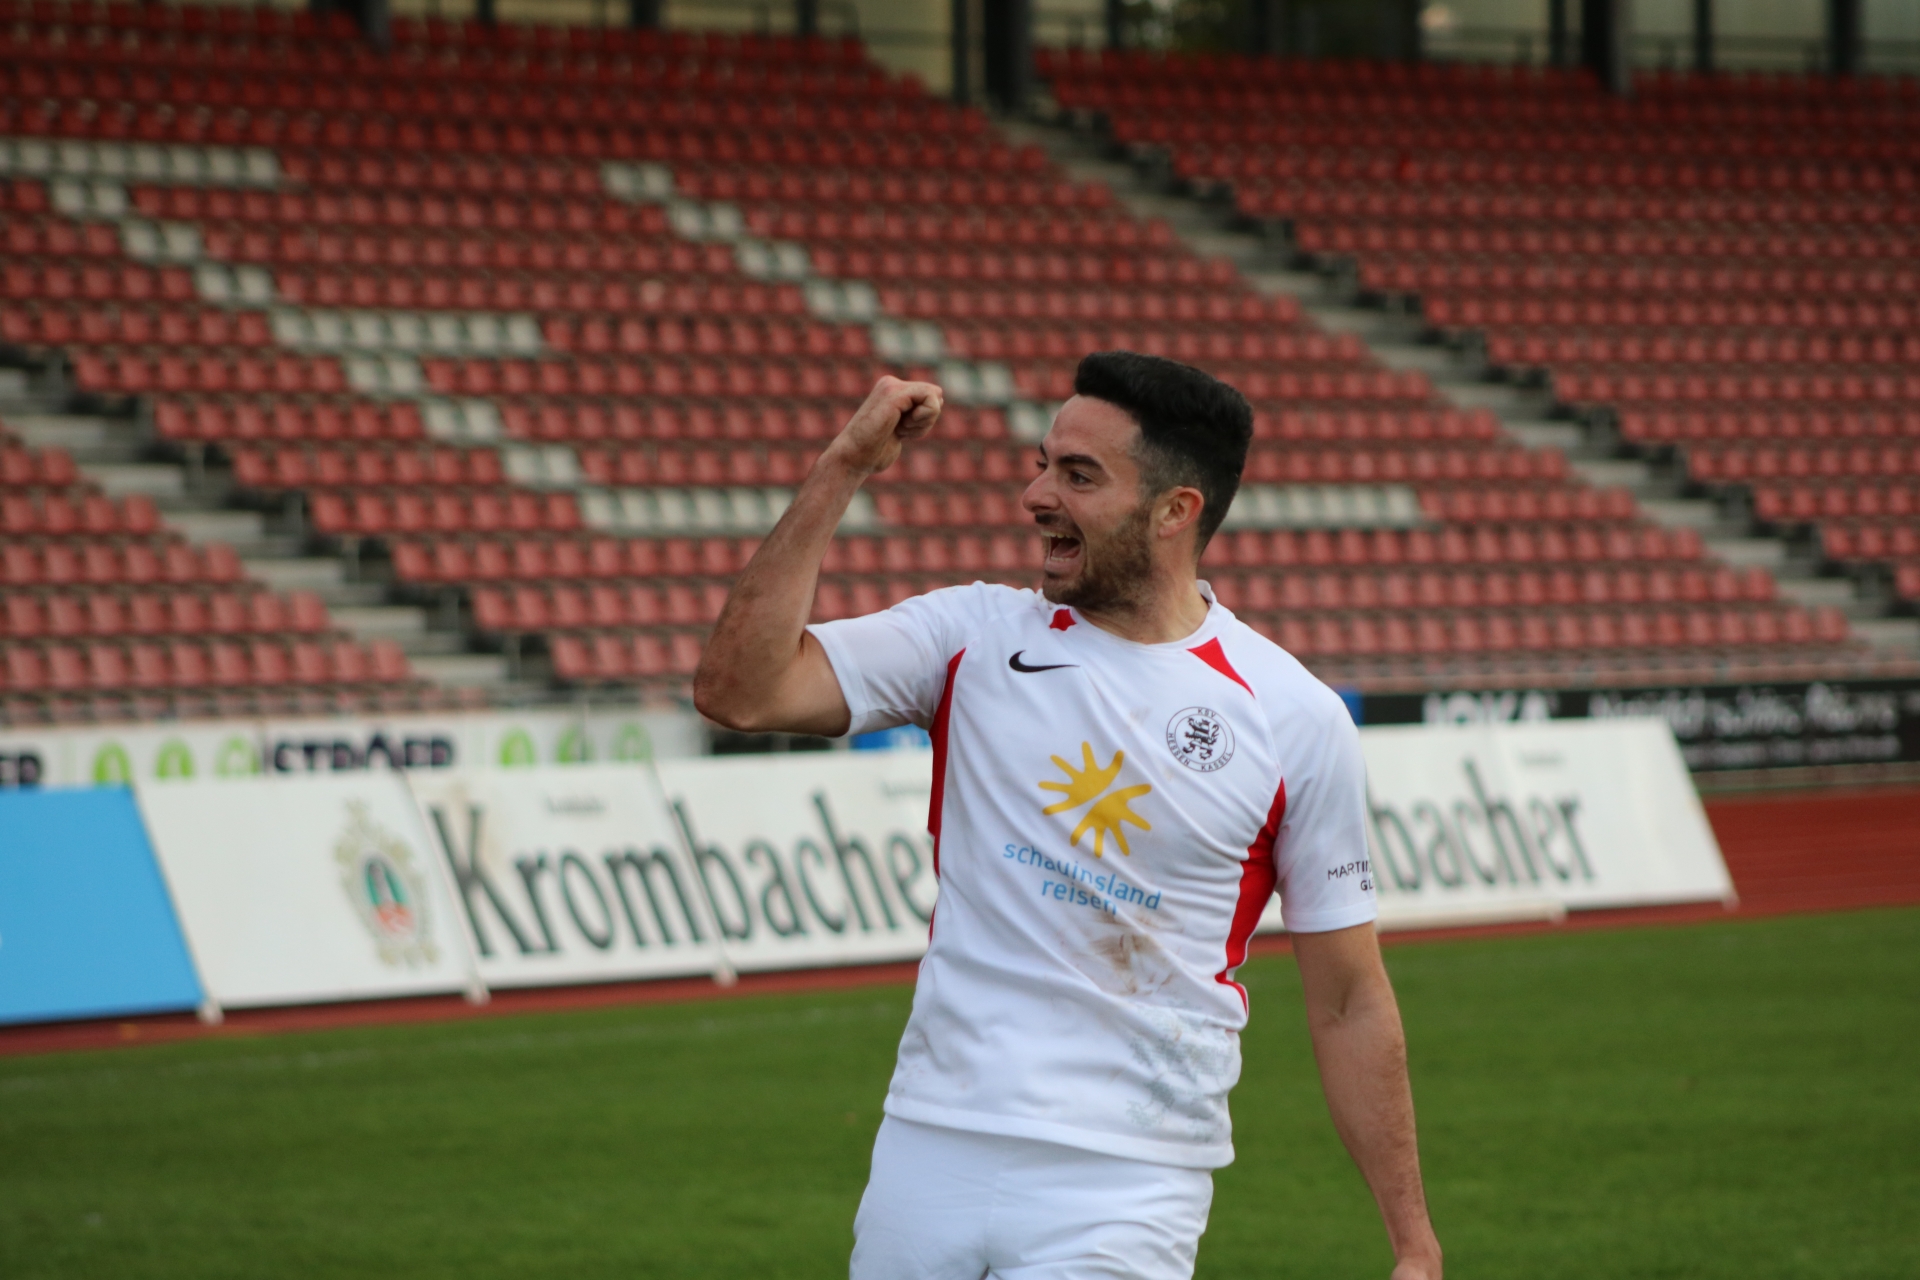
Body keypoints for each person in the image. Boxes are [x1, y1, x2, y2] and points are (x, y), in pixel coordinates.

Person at [695, 351, 1442, 1280]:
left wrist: (1412, 1240)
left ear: (1175, 511)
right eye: (1043, 463)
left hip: (1128, 1180)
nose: (1036, 495)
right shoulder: (969, 636)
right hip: (928, 1144)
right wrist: (841, 467)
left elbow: (1347, 998)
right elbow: (740, 690)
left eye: (1079, 476)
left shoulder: (1291, 715)